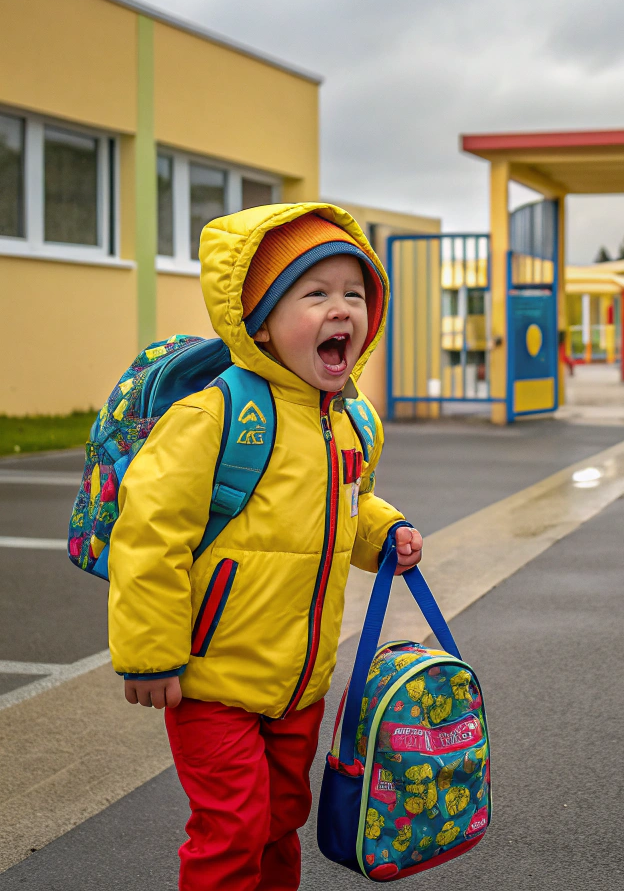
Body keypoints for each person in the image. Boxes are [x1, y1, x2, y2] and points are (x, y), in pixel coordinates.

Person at [107, 203, 423, 891]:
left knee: (281, 819)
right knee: (233, 826)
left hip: (297, 686)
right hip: (211, 681)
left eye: (355, 293)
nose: (342, 309)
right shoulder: (215, 416)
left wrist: (384, 530)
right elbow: (149, 533)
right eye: (316, 294)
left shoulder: (348, 423)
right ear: (260, 322)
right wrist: (150, 655)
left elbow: (348, 504)